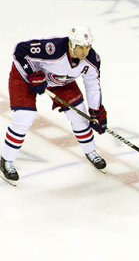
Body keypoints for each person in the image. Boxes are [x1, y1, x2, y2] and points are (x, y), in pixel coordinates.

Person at [1, 26, 107, 183]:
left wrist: (96, 111)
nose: (84, 52)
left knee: (79, 115)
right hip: (25, 77)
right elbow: (20, 50)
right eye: (80, 47)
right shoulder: (53, 49)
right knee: (25, 117)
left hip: (61, 81)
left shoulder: (91, 60)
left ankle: (91, 151)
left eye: (87, 47)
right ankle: (6, 159)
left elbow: (92, 85)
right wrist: (32, 74)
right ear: (72, 44)